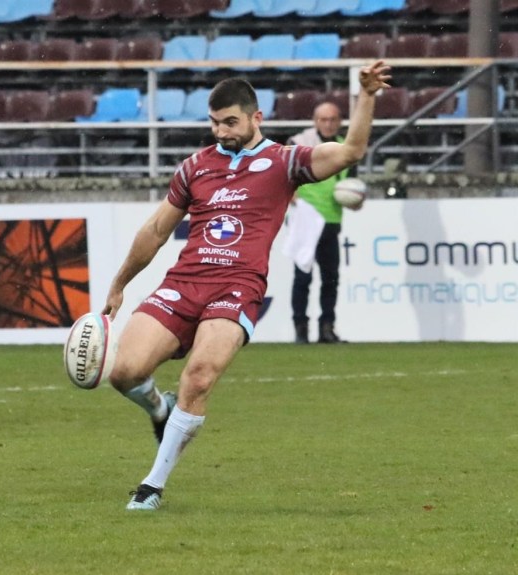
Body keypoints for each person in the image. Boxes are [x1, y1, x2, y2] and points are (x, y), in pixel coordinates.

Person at [104, 61, 391, 511]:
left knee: (199, 377)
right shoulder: (195, 167)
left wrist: (367, 97)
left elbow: (351, 150)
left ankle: (152, 486)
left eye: (230, 122)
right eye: (214, 123)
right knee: (124, 372)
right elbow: (157, 230)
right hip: (184, 282)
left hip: (237, 288)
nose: (221, 132)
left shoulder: (284, 162)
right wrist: (120, 282)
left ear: (257, 117)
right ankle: (160, 409)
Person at [287, 101, 364, 344]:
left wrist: (355, 200)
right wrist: (291, 196)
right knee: (303, 277)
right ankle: (301, 329)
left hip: (331, 220)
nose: (328, 124)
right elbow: (283, 175)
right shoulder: (299, 143)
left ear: (339, 121)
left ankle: (327, 328)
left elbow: (352, 184)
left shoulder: (347, 148)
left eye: (332, 119)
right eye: (323, 119)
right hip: (305, 219)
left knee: (331, 278)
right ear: (315, 121)